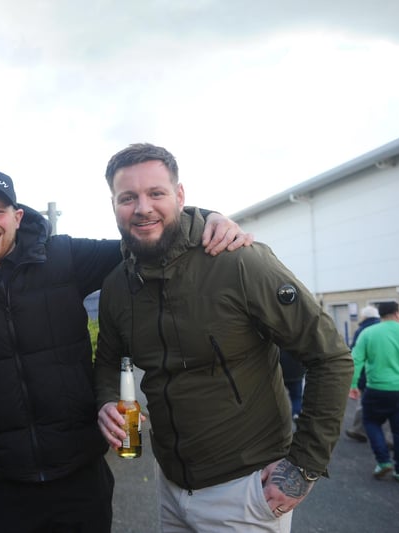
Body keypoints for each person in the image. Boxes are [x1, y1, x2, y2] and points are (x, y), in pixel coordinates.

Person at [0, 166, 252, 533]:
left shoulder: (63, 257)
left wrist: (207, 218)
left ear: (17, 216)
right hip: (1, 485)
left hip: (80, 478)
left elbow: (144, 236)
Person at [93, 143, 353, 532]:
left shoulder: (239, 260)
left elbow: (330, 357)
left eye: (156, 193)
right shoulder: (118, 285)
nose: (142, 207)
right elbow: (108, 361)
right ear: (113, 204)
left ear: (180, 196)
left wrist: (304, 466)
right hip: (169, 486)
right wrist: (106, 401)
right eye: (127, 197)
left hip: (246, 491)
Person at [348, 301, 399, 483]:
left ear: (381, 315)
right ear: (397, 313)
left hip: (376, 389)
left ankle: (383, 461)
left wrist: (354, 384)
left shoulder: (368, 333)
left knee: (371, 422)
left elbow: (355, 360)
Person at [345, 305, 382, 442]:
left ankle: (358, 430)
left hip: (367, 375)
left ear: (364, 317)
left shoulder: (361, 331)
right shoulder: (388, 328)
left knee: (364, 403)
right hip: (393, 378)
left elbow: (356, 357)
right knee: (394, 407)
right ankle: (390, 437)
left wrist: (354, 381)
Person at [280, 349, 305, 419]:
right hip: (297, 373)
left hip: (282, 373)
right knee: (296, 397)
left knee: (279, 397)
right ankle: (295, 414)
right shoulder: (299, 343)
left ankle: (281, 417)